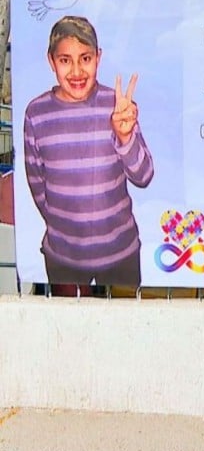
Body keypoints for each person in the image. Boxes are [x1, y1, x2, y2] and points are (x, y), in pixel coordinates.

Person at [23, 15, 153, 289]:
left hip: (121, 253)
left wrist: (125, 136)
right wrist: (66, 228)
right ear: (51, 61)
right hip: (63, 257)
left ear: (98, 58)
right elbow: (37, 184)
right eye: (65, 60)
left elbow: (144, 176)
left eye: (85, 58)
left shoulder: (118, 106)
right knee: (67, 319)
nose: (76, 71)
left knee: (125, 317)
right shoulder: (36, 113)